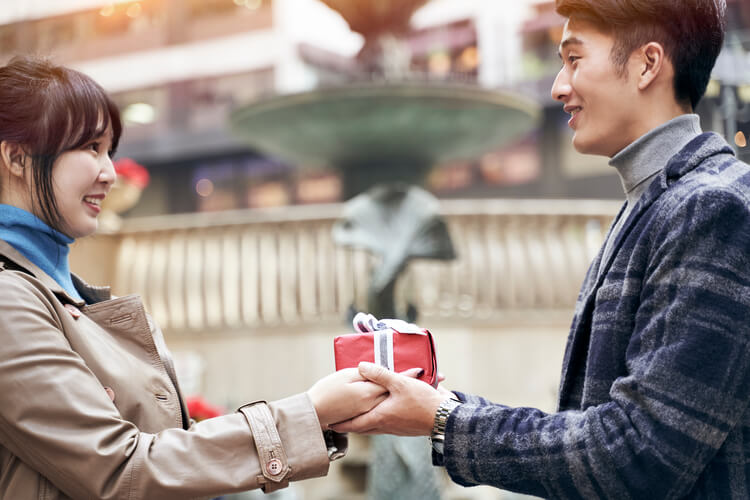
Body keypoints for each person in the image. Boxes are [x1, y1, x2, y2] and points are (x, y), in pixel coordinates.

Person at [332, 0, 750, 498]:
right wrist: (443, 407)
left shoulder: (710, 208)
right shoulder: (662, 200)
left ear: (648, 63)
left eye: (574, 60)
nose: (558, 86)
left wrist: (448, 420)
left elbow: (640, 454)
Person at [0, 56, 392, 499]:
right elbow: (121, 469)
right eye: (90, 148)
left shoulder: (59, 291)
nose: (109, 173)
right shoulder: (8, 300)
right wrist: (310, 414)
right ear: (16, 156)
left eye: (110, 150)